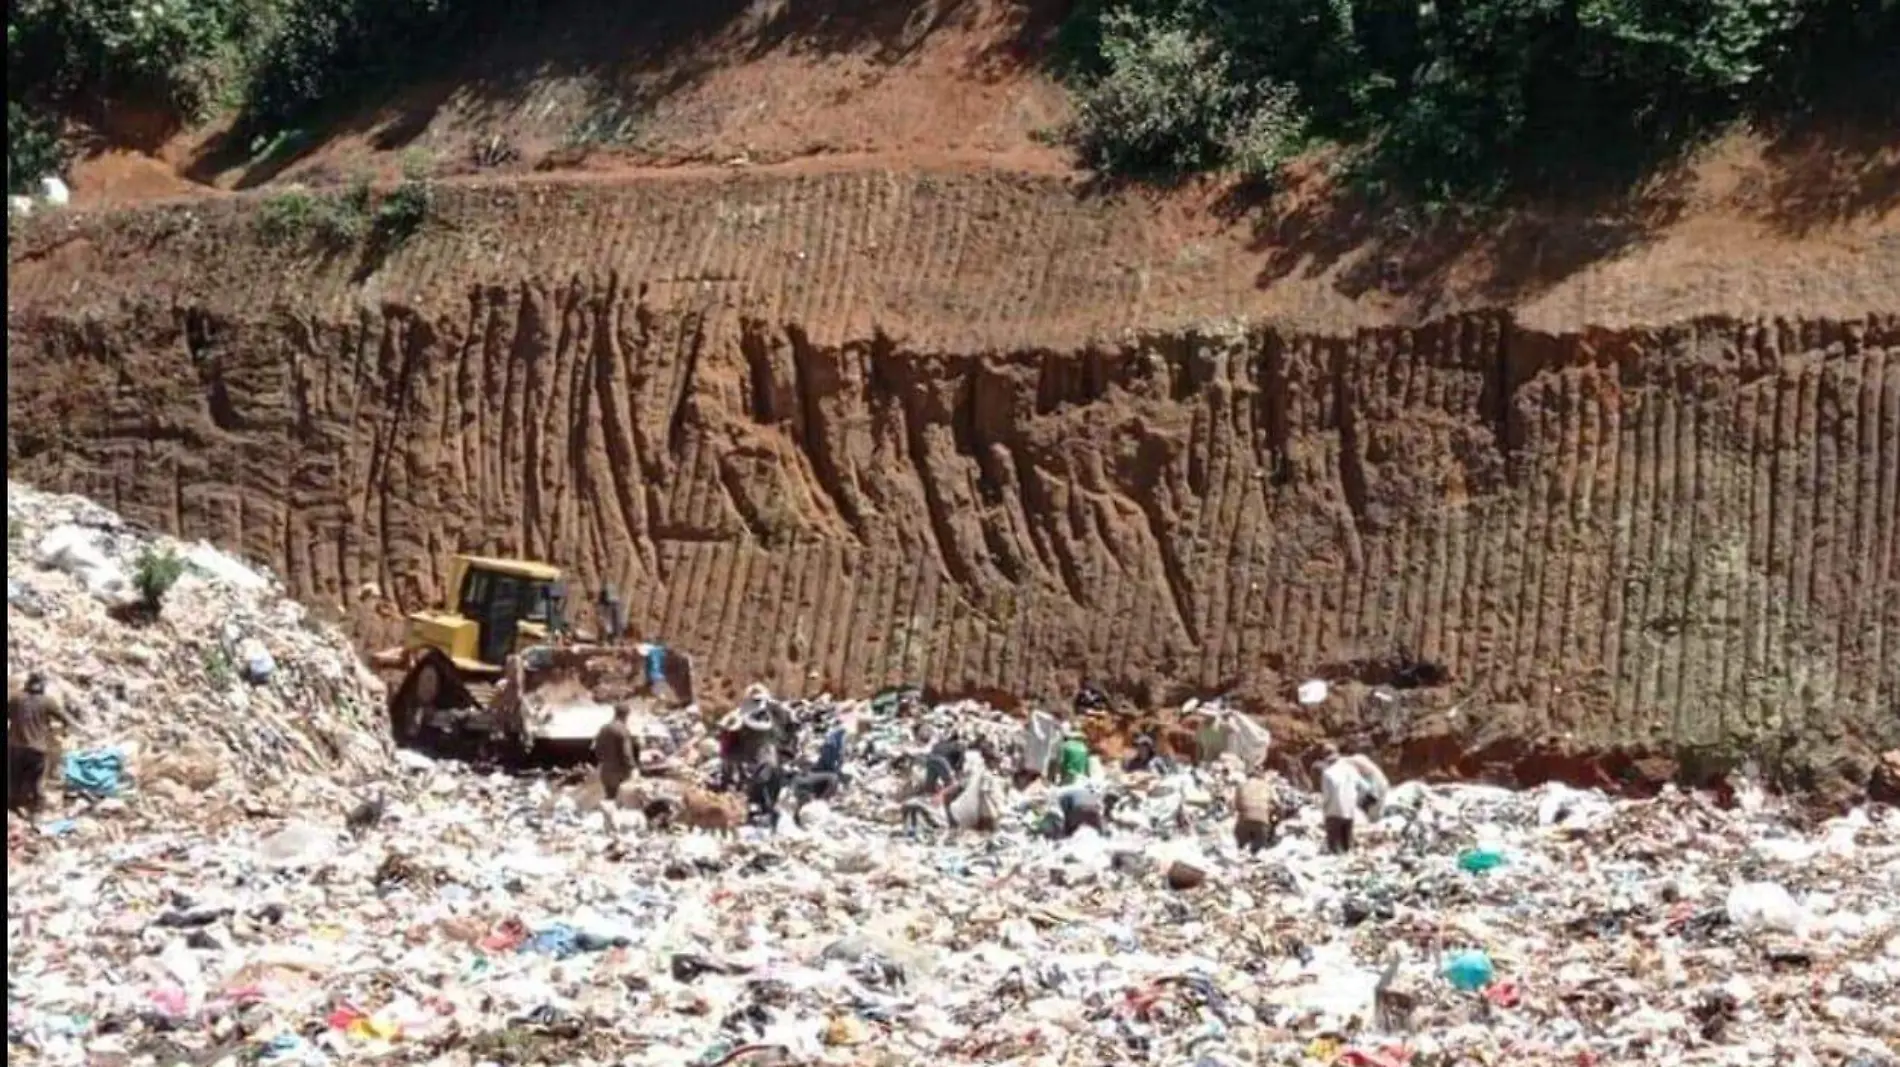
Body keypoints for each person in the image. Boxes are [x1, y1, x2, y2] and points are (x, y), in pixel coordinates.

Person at [8, 672, 69, 814]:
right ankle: (36, 812)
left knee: (14, 779)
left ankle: (13, 808)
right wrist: (64, 730)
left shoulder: (16, 699)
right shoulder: (46, 701)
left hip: (15, 747)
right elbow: (63, 718)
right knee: (36, 782)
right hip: (37, 748)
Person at [1320, 748, 1390, 855]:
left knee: (1335, 845)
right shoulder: (1351, 767)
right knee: (1347, 843)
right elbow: (1364, 786)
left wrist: (1324, 809)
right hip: (1351, 811)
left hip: (1335, 813)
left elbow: (1329, 795)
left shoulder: (1330, 772)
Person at [593, 704, 639, 830]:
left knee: (609, 799)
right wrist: (633, 768)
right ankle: (620, 829)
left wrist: (605, 761)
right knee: (623, 803)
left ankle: (607, 827)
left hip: (606, 771)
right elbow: (626, 753)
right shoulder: (623, 730)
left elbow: (597, 750)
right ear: (626, 715)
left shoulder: (604, 729)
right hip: (620, 773)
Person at [1233, 774, 1280, 853]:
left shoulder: (1241, 785)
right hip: (1262, 821)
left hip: (1245, 819)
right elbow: (1277, 803)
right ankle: (1255, 853)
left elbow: (1236, 804)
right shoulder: (1267, 786)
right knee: (1259, 845)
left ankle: (1241, 851)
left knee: (1241, 844)